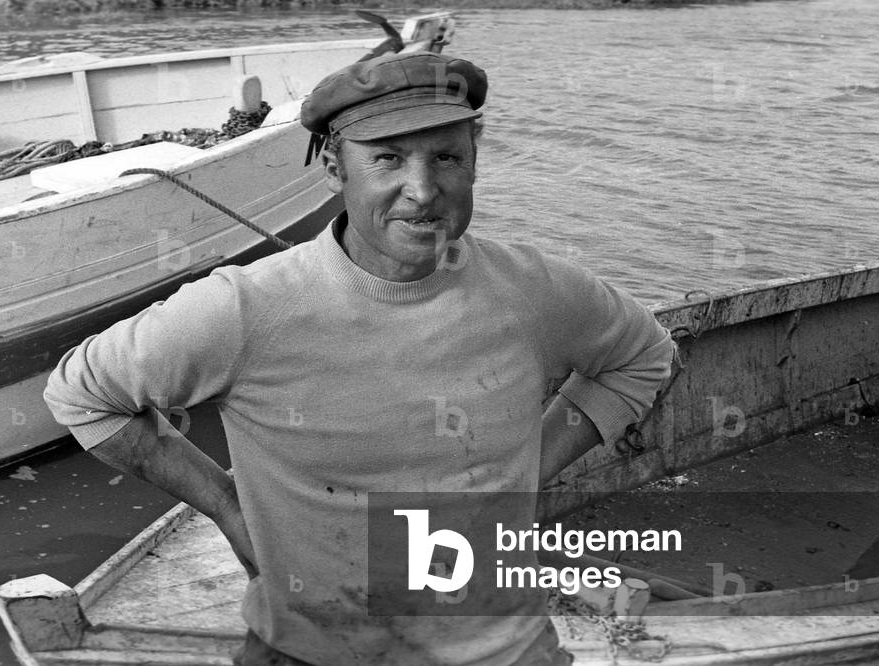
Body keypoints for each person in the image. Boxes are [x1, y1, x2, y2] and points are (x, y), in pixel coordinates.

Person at [44, 51, 675, 666]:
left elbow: (642, 355)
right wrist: (227, 507)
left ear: (475, 163)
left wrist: (528, 472)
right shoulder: (244, 308)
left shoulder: (532, 291)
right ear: (334, 169)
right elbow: (83, 395)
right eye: (387, 158)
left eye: (447, 157)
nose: (422, 191)